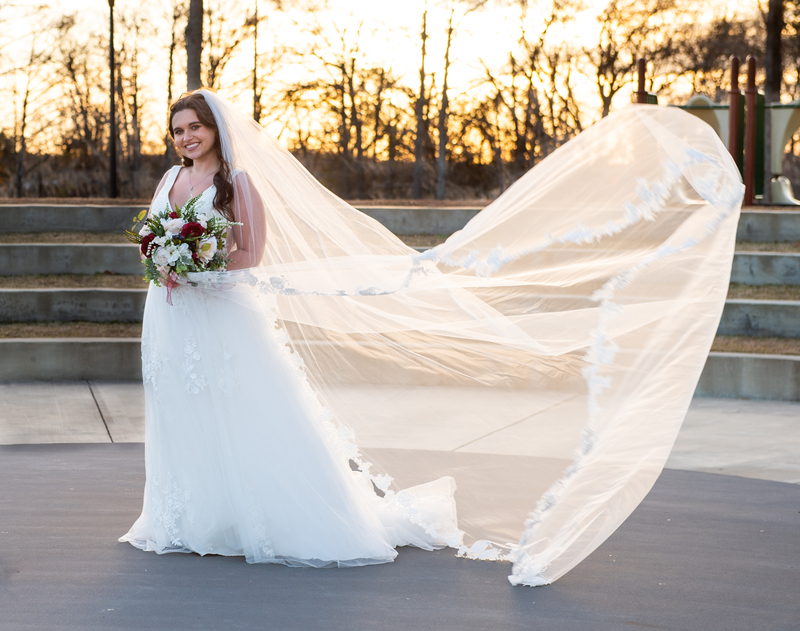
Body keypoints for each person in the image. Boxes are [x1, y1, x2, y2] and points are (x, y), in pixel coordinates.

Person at [120, 89, 743, 586]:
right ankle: (193, 518)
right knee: (185, 410)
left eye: (193, 127)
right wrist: (166, 263)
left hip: (225, 311)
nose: (185, 138)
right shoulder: (168, 184)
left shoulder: (240, 184)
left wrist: (196, 264)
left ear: (215, 130)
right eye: (177, 130)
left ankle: (264, 520)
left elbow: (252, 253)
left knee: (243, 410)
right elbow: (154, 238)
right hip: (174, 313)